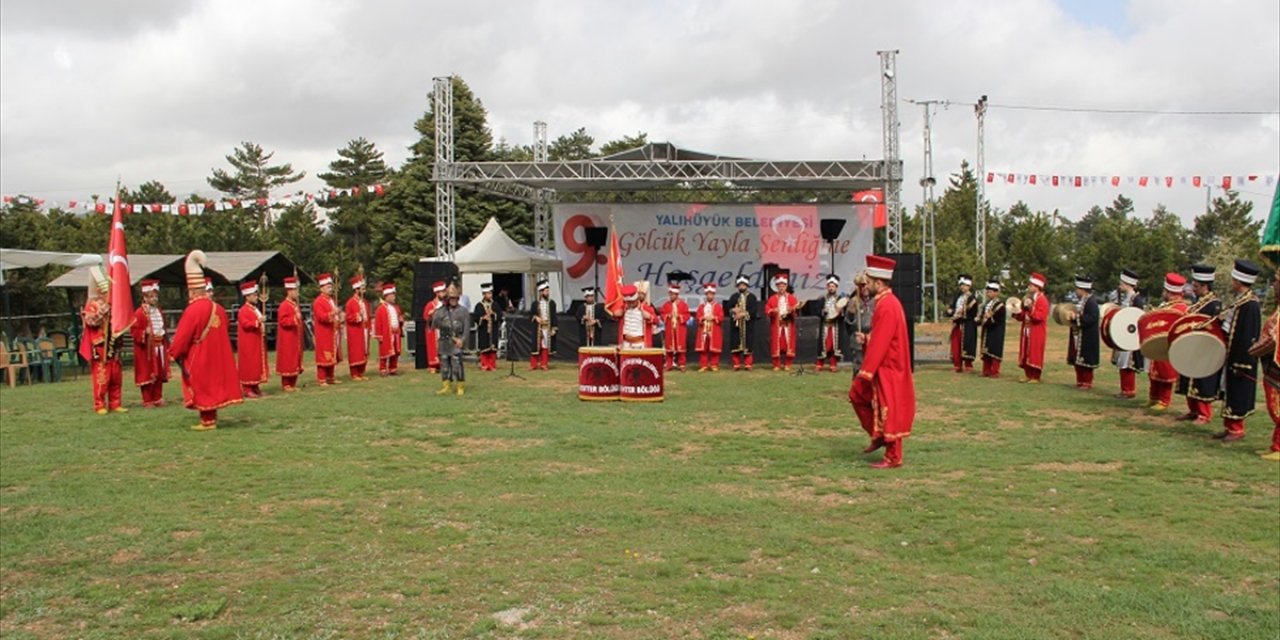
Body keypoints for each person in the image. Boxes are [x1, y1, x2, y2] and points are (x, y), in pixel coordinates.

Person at [849, 255, 916, 469]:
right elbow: (881, 337)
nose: (866, 286)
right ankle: (878, 436)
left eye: (869, 282)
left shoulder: (887, 305)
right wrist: (868, 339)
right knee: (870, 401)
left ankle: (893, 455)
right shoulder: (887, 303)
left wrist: (865, 372)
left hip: (888, 366)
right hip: (885, 364)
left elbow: (881, 342)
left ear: (879, 283)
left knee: (888, 408)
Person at [168, 250, 243, 431]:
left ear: (192, 290)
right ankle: (211, 418)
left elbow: (183, 336)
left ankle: (208, 421)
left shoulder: (193, 310)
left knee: (203, 386)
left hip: (200, 356)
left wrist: (173, 353)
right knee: (213, 385)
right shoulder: (218, 308)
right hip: (216, 355)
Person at [1216, 259, 1262, 442]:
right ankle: (1229, 426)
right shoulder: (1241, 301)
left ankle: (1237, 429)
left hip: (1241, 357)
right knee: (1229, 389)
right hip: (1232, 353)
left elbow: (1248, 335)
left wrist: (1242, 361)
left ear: (1237, 281)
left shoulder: (1250, 304)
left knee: (1238, 391)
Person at [1176, 264, 1222, 424]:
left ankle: (1204, 414)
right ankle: (1193, 410)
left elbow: (1213, 328)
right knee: (1189, 378)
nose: (1193, 289)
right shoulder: (1197, 302)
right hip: (1191, 347)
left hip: (1204, 348)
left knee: (1202, 381)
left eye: (1195, 286)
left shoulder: (1214, 304)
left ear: (1205, 286)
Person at [80, 265, 125, 414]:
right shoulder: (92, 306)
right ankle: (99, 404)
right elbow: (91, 321)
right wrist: (105, 310)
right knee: (102, 377)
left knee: (116, 376)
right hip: (100, 346)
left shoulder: (115, 305)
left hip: (113, 343)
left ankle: (115, 403)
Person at [1147, 273, 1188, 410]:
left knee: (1165, 371)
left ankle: (1164, 400)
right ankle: (1154, 397)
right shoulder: (1166, 304)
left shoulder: (1180, 307)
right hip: (1159, 342)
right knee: (1155, 370)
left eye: (1165, 291)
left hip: (1168, 344)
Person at [131, 279, 169, 407]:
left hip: (159, 346)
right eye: (151, 296)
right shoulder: (139, 313)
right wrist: (144, 332)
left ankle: (157, 397)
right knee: (147, 373)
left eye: (155, 296)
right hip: (146, 348)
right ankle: (148, 399)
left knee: (159, 373)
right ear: (145, 297)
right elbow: (134, 331)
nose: (154, 299)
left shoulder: (159, 311)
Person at [1255, 269, 1280, 460]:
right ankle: (1276, 445)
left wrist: (1254, 350)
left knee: (1277, 406)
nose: (1274, 287)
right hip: (1272, 364)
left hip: (1277, 364)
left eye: (1277, 283)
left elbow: (1273, 338)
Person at [1112, 269, 1145, 399]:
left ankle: (1129, 390)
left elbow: (1138, 317)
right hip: (1122, 333)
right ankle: (1124, 388)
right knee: (1121, 361)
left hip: (1131, 335)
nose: (1120, 285)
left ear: (1127, 284)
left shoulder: (1136, 299)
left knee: (1127, 362)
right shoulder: (1124, 298)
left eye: (1122, 283)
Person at [433, 284, 471, 395]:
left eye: (455, 298)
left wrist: (462, 340)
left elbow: (466, 329)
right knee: (444, 366)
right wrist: (436, 316)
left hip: (456, 341)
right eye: (451, 298)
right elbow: (434, 324)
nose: (453, 300)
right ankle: (446, 386)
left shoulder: (463, 311)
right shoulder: (441, 311)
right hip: (444, 341)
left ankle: (460, 386)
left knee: (456, 365)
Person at [1013, 272, 1049, 383]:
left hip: (1036, 329)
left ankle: (1035, 376)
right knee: (1026, 351)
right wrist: (1016, 312)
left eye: (1031, 285)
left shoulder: (1042, 300)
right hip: (1027, 329)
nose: (1029, 287)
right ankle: (1028, 374)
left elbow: (1039, 316)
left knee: (1035, 351)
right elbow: (1024, 315)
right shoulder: (1027, 298)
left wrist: (1030, 309)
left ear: (1037, 287)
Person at [236, 280, 269, 398]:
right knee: (249, 363)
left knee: (256, 364)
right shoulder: (243, 310)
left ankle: (255, 386)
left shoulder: (254, 309)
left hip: (257, 340)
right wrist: (258, 322)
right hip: (248, 342)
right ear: (247, 296)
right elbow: (245, 324)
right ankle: (247, 387)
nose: (256, 297)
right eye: (254, 295)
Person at [1067, 276, 1100, 389]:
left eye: (1077, 289)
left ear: (1082, 289)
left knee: (1086, 359)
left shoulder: (1091, 302)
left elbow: (1092, 318)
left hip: (1088, 335)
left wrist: (1076, 317)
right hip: (1079, 334)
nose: (1076, 291)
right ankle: (1080, 380)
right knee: (1078, 357)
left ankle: (1087, 382)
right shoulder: (1082, 301)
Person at [312, 273, 343, 385]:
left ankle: (330, 376)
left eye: (331, 287)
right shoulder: (318, 301)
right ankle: (322, 378)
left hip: (332, 331)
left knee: (332, 355)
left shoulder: (331, 300)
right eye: (327, 287)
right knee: (324, 355)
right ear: (322, 288)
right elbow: (321, 317)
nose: (330, 289)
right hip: (324, 332)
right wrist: (332, 313)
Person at [764, 274, 799, 371]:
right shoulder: (772, 298)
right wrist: (772, 311)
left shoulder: (792, 298)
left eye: (783, 286)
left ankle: (788, 364)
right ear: (777, 287)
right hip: (777, 325)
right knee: (777, 344)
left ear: (786, 286)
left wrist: (792, 310)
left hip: (788, 325)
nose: (781, 288)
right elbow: (767, 309)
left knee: (788, 344)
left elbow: (796, 311)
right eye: (779, 286)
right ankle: (776, 364)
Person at [275, 276, 304, 391]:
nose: (297, 293)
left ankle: (292, 383)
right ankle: (286, 383)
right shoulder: (284, 305)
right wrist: (294, 319)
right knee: (288, 358)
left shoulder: (294, 305)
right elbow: (283, 321)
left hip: (295, 337)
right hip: (288, 337)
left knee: (295, 358)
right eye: (295, 290)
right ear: (289, 291)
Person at [947, 274, 979, 373]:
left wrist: (962, 313)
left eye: (964, 285)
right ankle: (957, 364)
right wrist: (950, 311)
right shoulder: (958, 296)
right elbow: (952, 307)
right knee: (956, 344)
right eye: (961, 285)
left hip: (967, 324)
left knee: (967, 344)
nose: (962, 287)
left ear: (969, 286)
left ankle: (968, 364)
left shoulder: (972, 298)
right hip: (957, 324)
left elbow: (971, 311)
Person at [727, 276, 758, 371]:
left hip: (747, 325)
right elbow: (728, 309)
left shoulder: (752, 297)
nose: (741, 286)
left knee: (748, 343)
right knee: (735, 343)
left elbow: (754, 311)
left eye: (743, 285)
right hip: (735, 325)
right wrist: (733, 311)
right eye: (740, 285)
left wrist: (744, 314)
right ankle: (736, 364)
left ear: (747, 285)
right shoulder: (733, 297)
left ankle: (748, 364)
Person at [345, 275, 372, 381]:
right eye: (362, 288)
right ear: (356, 290)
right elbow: (349, 317)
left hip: (364, 329)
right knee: (356, 351)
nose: (363, 290)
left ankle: (361, 372)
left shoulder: (364, 302)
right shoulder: (350, 303)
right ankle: (354, 373)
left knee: (364, 350)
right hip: (355, 330)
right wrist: (358, 315)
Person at [373, 282, 404, 376]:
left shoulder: (396, 307)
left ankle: (393, 368)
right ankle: (382, 369)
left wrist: (401, 321)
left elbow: (398, 319)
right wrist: (379, 335)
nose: (394, 297)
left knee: (395, 351)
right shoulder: (381, 309)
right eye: (392, 295)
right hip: (386, 333)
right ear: (387, 296)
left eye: (394, 295)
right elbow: (378, 323)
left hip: (396, 332)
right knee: (385, 352)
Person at [660, 284, 691, 371]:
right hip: (670, 328)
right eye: (670, 294)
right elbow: (662, 314)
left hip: (680, 329)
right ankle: (669, 364)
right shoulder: (666, 305)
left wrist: (679, 316)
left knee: (681, 347)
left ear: (677, 295)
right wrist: (667, 316)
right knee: (669, 347)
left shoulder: (683, 304)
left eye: (673, 294)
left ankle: (682, 364)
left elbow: (687, 315)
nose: (671, 296)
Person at [815, 275, 844, 372]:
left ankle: (833, 364)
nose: (831, 288)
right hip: (825, 325)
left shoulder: (840, 298)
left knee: (834, 346)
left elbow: (843, 313)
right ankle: (820, 364)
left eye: (833, 286)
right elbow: (817, 311)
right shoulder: (822, 298)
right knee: (824, 345)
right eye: (829, 286)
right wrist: (823, 311)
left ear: (836, 287)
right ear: (827, 287)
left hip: (835, 325)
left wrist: (840, 312)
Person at [614, 284, 655, 350]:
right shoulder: (623, 308)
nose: (630, 304)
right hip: (626, 343)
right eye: (628, 302)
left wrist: (649, 316)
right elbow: (615, 315)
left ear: (636, 299)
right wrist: (615, 314)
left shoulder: (646, 308)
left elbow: (656, 321)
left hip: (640, 343)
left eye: (632, 302)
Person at [693, 284, 724, 371]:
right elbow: (697, 317)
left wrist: (714, 317)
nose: (709, 295)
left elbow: (721, 317)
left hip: (714, 329)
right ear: (706, 295)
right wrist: (702, 318)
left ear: (713, 295)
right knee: (704, 348)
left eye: (711, 294)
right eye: (708, 294)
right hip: (704, 329)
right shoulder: (701, 306)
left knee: (714, 348)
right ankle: (704, 365)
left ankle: (714, 364)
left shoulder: (718, 306)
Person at [473, 282, 503, 371]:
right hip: (483, 329)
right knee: (484, 346)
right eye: (488, 293)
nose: (490, 295)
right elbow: (476, 317)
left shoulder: (495, 305)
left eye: (491, 293)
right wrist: (483, 318)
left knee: (493, 347)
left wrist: (494, 315)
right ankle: (484, 364)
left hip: (493, 328)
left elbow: (500, 315)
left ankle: (492, 364)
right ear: (484, 294)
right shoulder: (479, 305)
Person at [979, 279, 1005, 377]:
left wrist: (988, 319)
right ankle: (986, 370)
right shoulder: (987, 304)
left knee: (994, 350)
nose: (988, 294)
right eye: (988, 292)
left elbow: (997, 319)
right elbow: (983, 316)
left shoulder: (1000, 306)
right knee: (986, 351)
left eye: (990, 292)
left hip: (996, 331)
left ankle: (994, 371)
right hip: (987, 330)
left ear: (996, 293)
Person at [528, 279, 558, 370]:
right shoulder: (535, 303)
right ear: (541, 292)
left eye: (548, 291)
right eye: (546, 291)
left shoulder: (552, 303)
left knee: (545, 345)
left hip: (547, 327)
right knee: (536, 346)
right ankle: (533, 364)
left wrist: (554, 328)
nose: (547, 293)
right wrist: (535, 318)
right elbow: (530, 315)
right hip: (538, 327)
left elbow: (554, 316)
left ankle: (544, 364)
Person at [422, 281, 447, 373]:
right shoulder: (430, 305)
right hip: (434, 329)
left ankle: (443, 363)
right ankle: (433, 365)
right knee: (434, 347)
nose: (444, 294)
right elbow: (425, 317)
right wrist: (431, 314)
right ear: (437, 293)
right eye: (442, 292)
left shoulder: (446, 304)